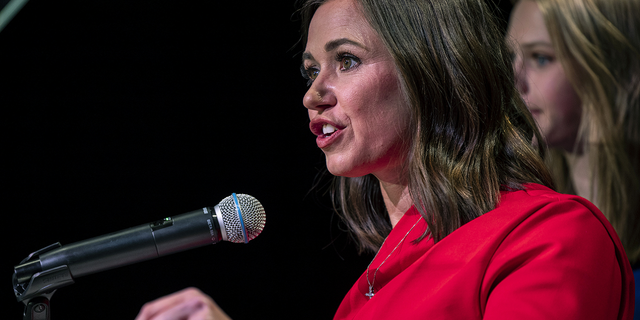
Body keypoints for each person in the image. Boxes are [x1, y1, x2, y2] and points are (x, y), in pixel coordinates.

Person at [135, 0, 635, 319]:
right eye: (310, 71)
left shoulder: (550, 235)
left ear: (431, 69)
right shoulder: (370, 288)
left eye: (346, 60)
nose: (313, 94)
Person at [506, 0, 640, 318]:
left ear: (619, 69)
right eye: (512, 58)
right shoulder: (524, 217)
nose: (515, 80)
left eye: (541, 58)